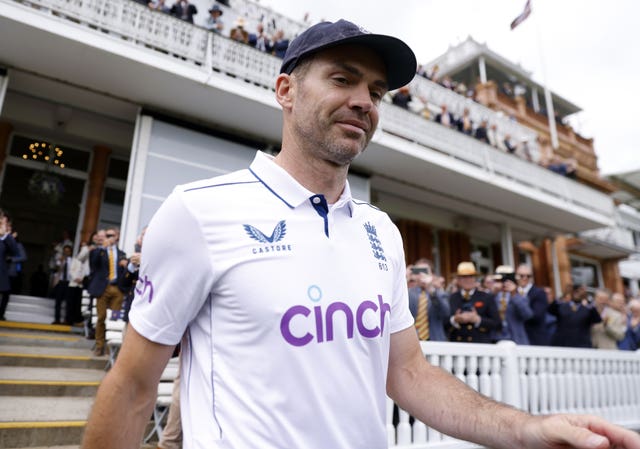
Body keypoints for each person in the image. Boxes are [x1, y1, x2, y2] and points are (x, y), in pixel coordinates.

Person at [81, 19, 640, 449]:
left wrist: (527, 429)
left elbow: (409, 373)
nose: (363, 101)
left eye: (375, 91)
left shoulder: (380, 231)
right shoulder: (199, 212)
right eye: (343, 79)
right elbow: (132, 386)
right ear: (286, 90)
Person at [87, 227, 127, 356]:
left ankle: (111, 347)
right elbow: (93, 264)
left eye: (111, 235)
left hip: (117, 290)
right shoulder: (98, 251)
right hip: (102, 289)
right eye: (107, 235)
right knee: (101, 317)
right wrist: (102, 248)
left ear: (117, 237)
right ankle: (99, 345)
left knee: (114, 319)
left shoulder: (122, 254)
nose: (109, 237)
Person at [448, 261, 501, 343]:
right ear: (458, 280)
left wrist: (477, 320)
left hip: (480, 345)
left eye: (471, 276)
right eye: (464, 277)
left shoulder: (486, 297)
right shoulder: (452, 297)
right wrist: (455, 319)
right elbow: (443, 322)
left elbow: (497, 324)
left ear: (475, 279)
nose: (467, 280)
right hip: (458, 345)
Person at [407, 258, 450, 341]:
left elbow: (445, 314)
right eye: (418, 271)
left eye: (425, 271)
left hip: (435, 341)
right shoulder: (408, 292)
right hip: (413, 341)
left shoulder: (440, 293)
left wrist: (431, 289)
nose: (422, 274)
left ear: (432, 275)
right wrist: (405, 279)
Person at [491, 265, 533, 345]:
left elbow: (527, 315)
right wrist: (492, 294)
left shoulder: (519, 295)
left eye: (503, 280)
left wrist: (514, 294)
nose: (502, 283)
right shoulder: (493, 295)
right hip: (495, 339)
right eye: (498, 280)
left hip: (515, 339)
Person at [516, 263, 550, 346]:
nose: (525, 278)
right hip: (516, 339)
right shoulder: (512, 293)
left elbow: (536, 316)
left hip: (534, 340)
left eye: (528, 276)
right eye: (521, 275)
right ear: (516, 276)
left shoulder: (539, 293)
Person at [0, 210, 18, 320]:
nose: (3, 225)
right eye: (1, 222)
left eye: (5, 223)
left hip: (2, 273)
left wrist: (6, 236)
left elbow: (15, 251)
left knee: (5, 293)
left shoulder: (6, 239)